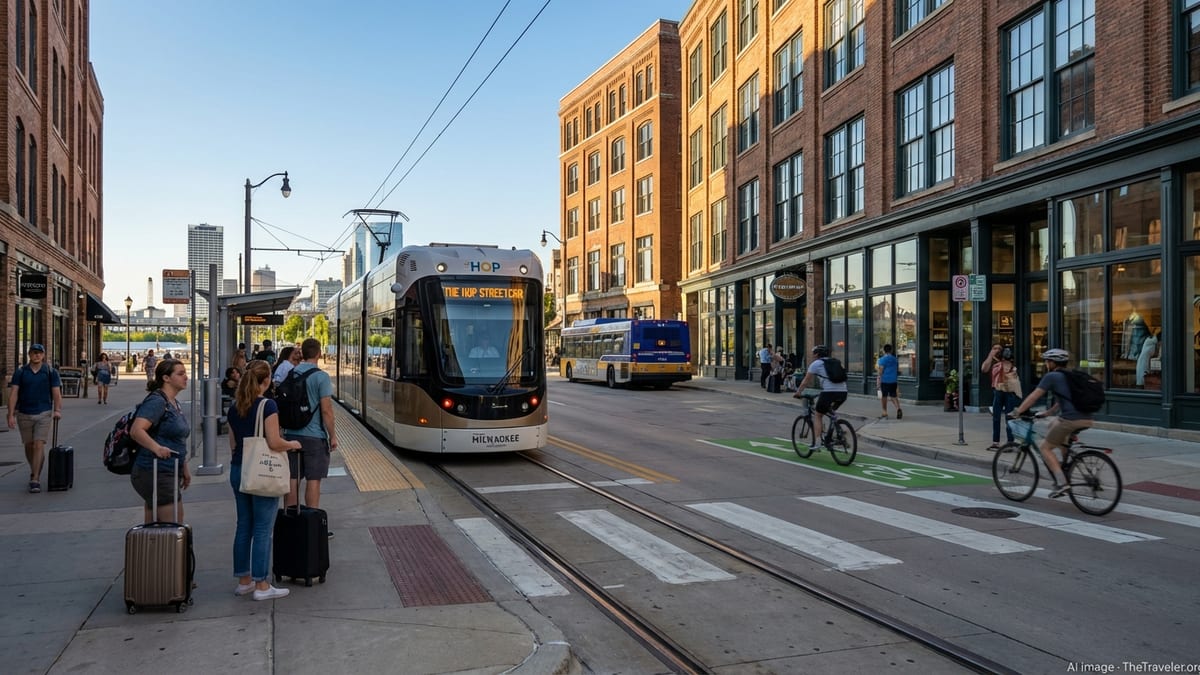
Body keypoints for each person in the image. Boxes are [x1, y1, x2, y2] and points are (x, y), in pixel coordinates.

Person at [226, 360, 301, 601]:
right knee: (262, 529)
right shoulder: (268, 405)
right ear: (266, 380)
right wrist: (292, 444)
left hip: (239, 469)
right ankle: (262, 585)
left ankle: (244, 580)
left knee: (243, 526)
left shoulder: (235, 406)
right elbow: (274, 442)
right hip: (261, 472)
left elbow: (233, 443)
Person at [1009, 348, 1093, 498]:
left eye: (1047, 361)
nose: (1046, 364)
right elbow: (1063, 400)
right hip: (1086, 418)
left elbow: (1034, 396)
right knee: (1052, 425)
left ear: (1053, 363)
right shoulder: (1071, 375)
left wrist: (1018, 411)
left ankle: (1062, 483)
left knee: (1045, 448)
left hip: (1070, 420)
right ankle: (1066, 466)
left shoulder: (1052, 376)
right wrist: (1048, 413)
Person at [281, 338, 338, 527]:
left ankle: (290, 522)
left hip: (291, 435)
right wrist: (333, 436)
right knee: (313, 480)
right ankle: (312, 526)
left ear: (302, 354)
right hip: (314, 437)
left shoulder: (292, 372)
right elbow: (326, 411)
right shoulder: (321, 377)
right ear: (319, 353)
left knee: (292, 478)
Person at [129, 358, 191, 523]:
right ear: (166, 378)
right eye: (180, 374)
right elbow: (136, 430)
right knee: (172, 527)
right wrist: (156, 448)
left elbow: (177, 439)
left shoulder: (173, 403)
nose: (186, 377)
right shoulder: (157, 401)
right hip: (156, 470)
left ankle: (149, 549)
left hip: (167, 470)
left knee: (156, 529)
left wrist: (183, 466)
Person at [6, 344, 63, 493]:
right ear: (29, 354)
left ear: (43, 355)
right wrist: (10, 414)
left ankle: (35, 478)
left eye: (39, 353)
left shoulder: (51, 372)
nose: (36, 355)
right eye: (34, 353)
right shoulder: (21, 372)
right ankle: (35, 468)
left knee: (39, 444)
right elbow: (14, 393)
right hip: (24, 413)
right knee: (29, 445)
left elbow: (56, 393)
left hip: (43, 413)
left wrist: (57, 410)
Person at [792, 345, 848, 452]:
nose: (812, 355)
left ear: (817, 354)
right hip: (843, 392)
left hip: (829, 392)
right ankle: (839, 430)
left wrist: (798, 392)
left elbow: (806, 381)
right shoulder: (836, 362)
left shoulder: (816, 364)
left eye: (813, 353)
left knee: (818, 415)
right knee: (830, 412)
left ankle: (817, 443)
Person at [982, 343, 1020, 449]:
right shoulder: (993, 362)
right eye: (995, 348)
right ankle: (995, 442)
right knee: (996, 418)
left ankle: (1010, 442)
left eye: (999, 349)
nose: (997, 350)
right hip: (998, 391)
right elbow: (984, 369)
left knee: (1009, 418)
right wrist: (991, 355)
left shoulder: (1008, 363)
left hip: (1009, 392)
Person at [876, 343, 903, 419]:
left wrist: (878, 379)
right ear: (891, 350)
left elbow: (880, 371)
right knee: (893, 396)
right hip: (893, 380)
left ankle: (884, 412)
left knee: (884, 396)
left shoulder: (882, 359)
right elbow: (897, 370)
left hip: (885, 380)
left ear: (884, 350)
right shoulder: (895, 359)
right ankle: (898, 408)